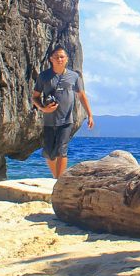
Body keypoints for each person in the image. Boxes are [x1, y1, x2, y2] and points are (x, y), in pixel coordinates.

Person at [31, 46, 94, 179]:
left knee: (61, 150)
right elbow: (35, 97)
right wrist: (43, 108)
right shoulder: (44, 76)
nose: (59, 59)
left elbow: (82, 96)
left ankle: (59, 181)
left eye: (62, 57)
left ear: (66, 59)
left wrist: (90, 115)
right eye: (56, 57)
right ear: (51, 59)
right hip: (48, 120)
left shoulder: (74, 76)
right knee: (49, 154)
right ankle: (57, 178)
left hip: (66, 120)